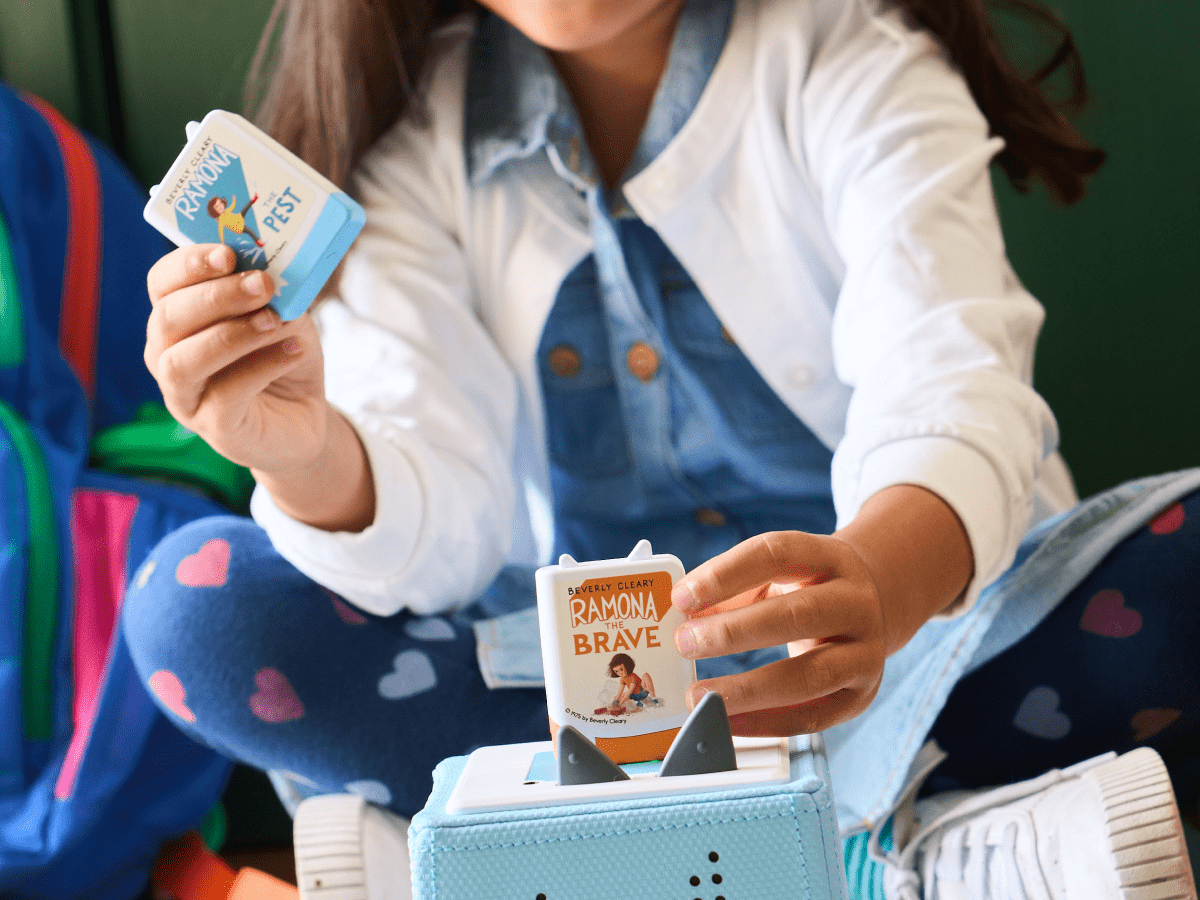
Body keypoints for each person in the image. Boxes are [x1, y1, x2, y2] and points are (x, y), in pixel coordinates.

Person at [121, 0, 1199, 897]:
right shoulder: (410, 151)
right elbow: (438, 525)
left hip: (909, 666)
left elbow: (953, 385)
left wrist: (881, 583)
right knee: (195, 610)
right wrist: (305, 452)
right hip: (555, 702)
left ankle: (512, 860)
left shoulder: (854, 58)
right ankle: (904, 856)